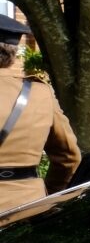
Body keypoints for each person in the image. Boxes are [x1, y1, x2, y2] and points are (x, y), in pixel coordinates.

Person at [0, 14, 81, 211]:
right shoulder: (40, 93)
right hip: (27, 209)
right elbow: (70, 157)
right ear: (14, 52)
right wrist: (49, 195)